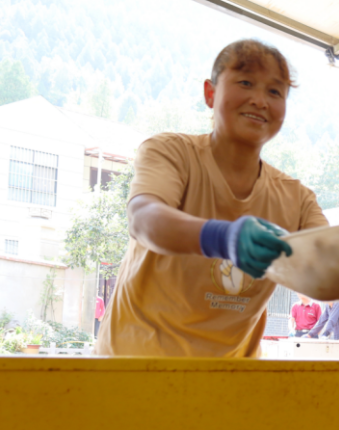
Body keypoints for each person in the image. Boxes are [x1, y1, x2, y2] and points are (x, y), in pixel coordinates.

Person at [96, 40, 327, 357]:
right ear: (210, 93)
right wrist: (222, 238)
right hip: (134, 373)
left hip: (229, 389)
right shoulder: (171, 152)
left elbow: (332, 267)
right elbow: (144, 218)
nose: (260, 100)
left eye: (275, 92)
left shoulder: (297, 198)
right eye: (245, 83)